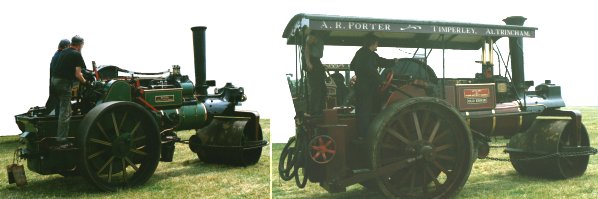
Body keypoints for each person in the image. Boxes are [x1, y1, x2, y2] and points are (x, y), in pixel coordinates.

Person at [350, 34, 397, 137]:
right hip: (367, 87)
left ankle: (363, 133)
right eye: (376, 43)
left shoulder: (362, 53)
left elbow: (352, 65)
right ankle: (365, 135)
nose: (377, 45)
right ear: (372, 43)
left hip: (361, 86)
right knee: (365, 111)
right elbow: (370, 69)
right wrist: (381, 81)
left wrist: (393, 61)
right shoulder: (368, 55)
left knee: (362, 110)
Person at [51, 35, 87, 149]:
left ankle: (62, 134)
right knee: (65, 111)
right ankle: (62, 141)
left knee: (64, 109)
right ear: (80, 44)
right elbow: (78, 74)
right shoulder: (76, 54)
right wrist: (86, 82)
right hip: (63, 83)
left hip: (54, 81)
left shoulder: (64, 51)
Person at [43, 39, 71, 115]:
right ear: (66, 46)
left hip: (53, 84)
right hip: (61, 84)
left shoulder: (56, 55)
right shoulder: (63, 56)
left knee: (57, 104)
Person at [304, 31, 327, 115]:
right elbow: (307, 45)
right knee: (315, 89)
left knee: (323, 89)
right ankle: (313, 111)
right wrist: (308, 62)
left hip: (317, 61)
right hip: (313, 61)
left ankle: (321, 110)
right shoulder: (314, 34)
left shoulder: (320, 36)